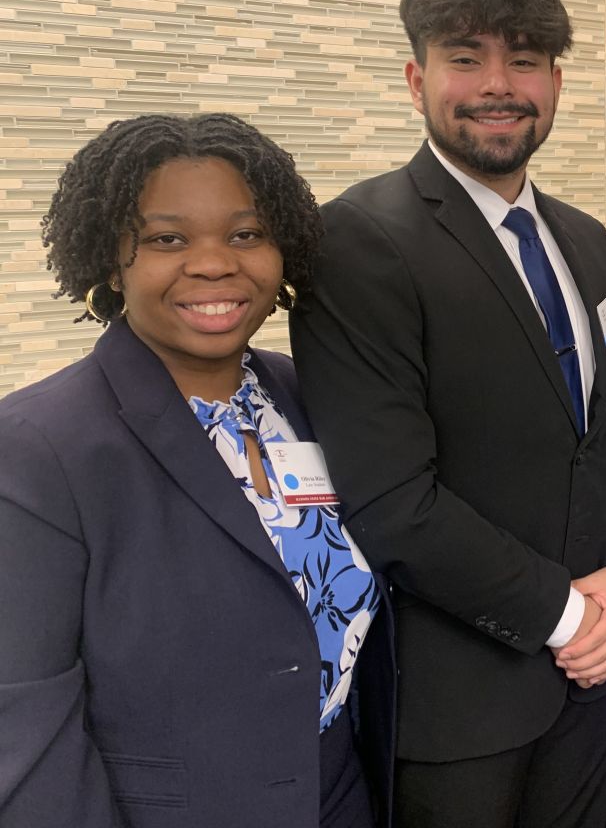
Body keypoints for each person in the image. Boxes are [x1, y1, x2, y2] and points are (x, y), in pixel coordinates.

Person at [289, 0, 606, 828]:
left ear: (557, 82)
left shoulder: (582, 238)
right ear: (417, 79)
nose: (499, 84)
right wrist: (569, 617)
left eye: (524, 59)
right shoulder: (356, 243)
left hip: (593, 680)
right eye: (466, 58)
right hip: (461, 702)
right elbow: (393, 504)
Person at [0, 113, 394, 828]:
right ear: (111, 261)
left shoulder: (311, 395)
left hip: (338, 799)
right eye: (166, 239)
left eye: (245, 234)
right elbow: (23, 727)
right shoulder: (36, 447)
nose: (214, 263)